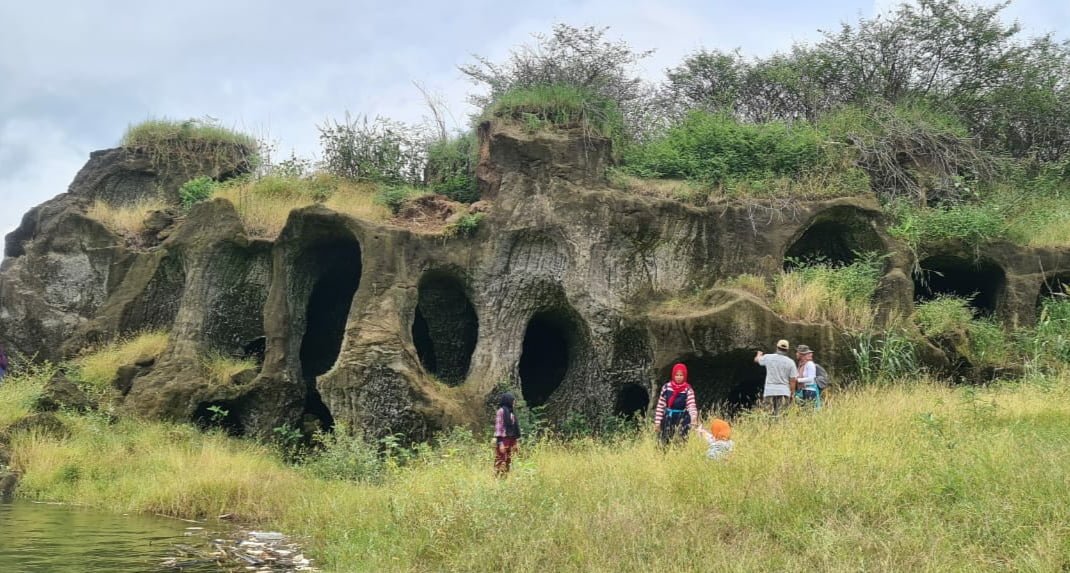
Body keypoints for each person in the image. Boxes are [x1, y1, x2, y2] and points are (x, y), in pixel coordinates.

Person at [654, 363, 699, 446]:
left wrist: (693, 418)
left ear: (684, 376)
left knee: (681, 441)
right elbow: (660, 405)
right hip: (668, 417)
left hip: (682, 417)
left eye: (681, 375)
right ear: (673, 375)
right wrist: (657, 422)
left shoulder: (688, 389)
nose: (678, 377)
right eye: (676, 375)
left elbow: (691, 405)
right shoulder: (666, 387)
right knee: (664, 441)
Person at [754, 339, 797, 417]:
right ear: (787, 350)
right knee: (781, 416)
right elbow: (793, 380)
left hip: (770, 391)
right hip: (784, 391)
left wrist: (759, 354)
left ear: (777, 347)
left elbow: (757, 360)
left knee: (768, 415)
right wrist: (792, 394)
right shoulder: (791, 362)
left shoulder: (768, 357)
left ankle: (769, 428)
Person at [493, 392, 521, 477]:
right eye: (513, 401)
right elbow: (498, 428)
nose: (514, 403)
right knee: (501, 459)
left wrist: (516, 442)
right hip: (503, 439)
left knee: (509, 459)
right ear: (508, 401)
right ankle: (496, 478)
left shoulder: (511, 413)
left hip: (511, 439)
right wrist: (500, 443)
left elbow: (514, 429)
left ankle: (505, 478)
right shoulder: (501, 411)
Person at [794, 344, 822, 409]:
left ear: (802, 354)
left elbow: (811, 379)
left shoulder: (810, 364)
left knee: (809, 411)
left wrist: (797, 380)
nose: (796, 354)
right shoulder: (802, 365)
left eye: (797, 352)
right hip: (804, 390)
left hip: (810, 391)